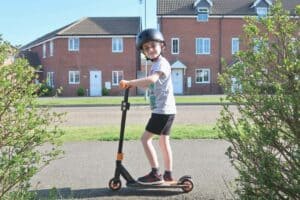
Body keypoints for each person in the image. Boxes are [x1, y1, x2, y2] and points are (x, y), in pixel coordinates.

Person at [119, 28, 176, 185]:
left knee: (145, 140)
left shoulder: (161, 64)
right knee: (164, 142)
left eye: (153, 45)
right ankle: (168, 175)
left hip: (162, 111)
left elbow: (151, 80)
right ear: (143, 52)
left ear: (162, 46)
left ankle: (155, 173)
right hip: (167, 110)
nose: (150, 49)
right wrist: (135, 85)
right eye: (146, 48)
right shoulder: (157, 64)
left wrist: (130, 82)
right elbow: (150, 85)